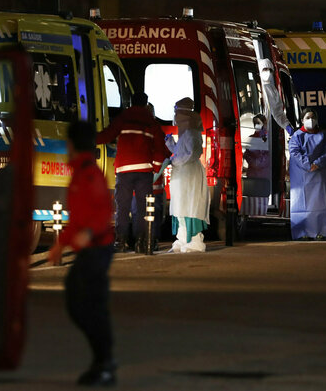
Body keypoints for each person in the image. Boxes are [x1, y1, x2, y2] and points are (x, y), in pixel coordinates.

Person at [49, 121, 117, 386]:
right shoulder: (79, 172)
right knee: (81, 302)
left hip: (97, 249)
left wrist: (88, 232)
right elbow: (77, 217)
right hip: (90, 249)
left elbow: (102, 211)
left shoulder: (89, 173)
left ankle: (105, 363)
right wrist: (60, 244)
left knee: (87, 305)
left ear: (72, 144)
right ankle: (103, 361)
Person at [97, 92, 167, 254]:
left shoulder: (123, 118)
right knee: (143, 209)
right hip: (144, 172)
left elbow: (108, 135)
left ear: (130, 102)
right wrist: (155, 168)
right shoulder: (152, 122)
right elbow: (159, 149)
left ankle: (121, 242)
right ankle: (141, 242)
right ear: (145, 103)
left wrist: (89, 138)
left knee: (123, 207)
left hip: (124, 170)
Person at [165, 97, 210, 253]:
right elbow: (181, 152)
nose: (175, 117)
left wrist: (174, 161)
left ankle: (195, 240)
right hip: (181, 176)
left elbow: (191, 154)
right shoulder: (185, 134)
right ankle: (182, 238)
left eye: (177, 113)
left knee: (190, 206)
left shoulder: (192, 133)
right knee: (180, 207)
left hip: (189, 175)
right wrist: (171, 145)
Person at [288, 109, 326, 240]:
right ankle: (303, 233)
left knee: (321, 203)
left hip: (320, 175)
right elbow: (295, 153)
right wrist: (309, 165)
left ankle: (322, 232)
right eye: (308, 117)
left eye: (313, 117)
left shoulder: (325, 136)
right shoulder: (297, 136)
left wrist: (318, 163)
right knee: (302, 204)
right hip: (302, 176)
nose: (311, 120)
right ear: (302, 120)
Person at [259, 59, 293, 134]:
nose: (267, 72)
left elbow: (277, 112)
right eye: (264, 69)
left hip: (265, 129)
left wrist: (287, 125)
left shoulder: (271, 89)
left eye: (269, 70)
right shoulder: (256, 86)